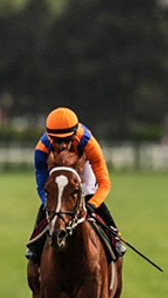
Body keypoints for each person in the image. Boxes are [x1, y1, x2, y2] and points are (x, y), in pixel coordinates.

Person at [25, 106, 125, 263]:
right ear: (50, 137)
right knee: (49, 205)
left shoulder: (89, 143)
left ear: (74, 134)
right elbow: (42, 186)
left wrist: (92, 204)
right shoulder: (42, 150)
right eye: (57, 141)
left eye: (66, 140)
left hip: (83, 164)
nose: (63, 145)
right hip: (56, 168)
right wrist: (51, 205)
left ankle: (114, 238)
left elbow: (104, 183)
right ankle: (35, 247)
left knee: (89, 192)